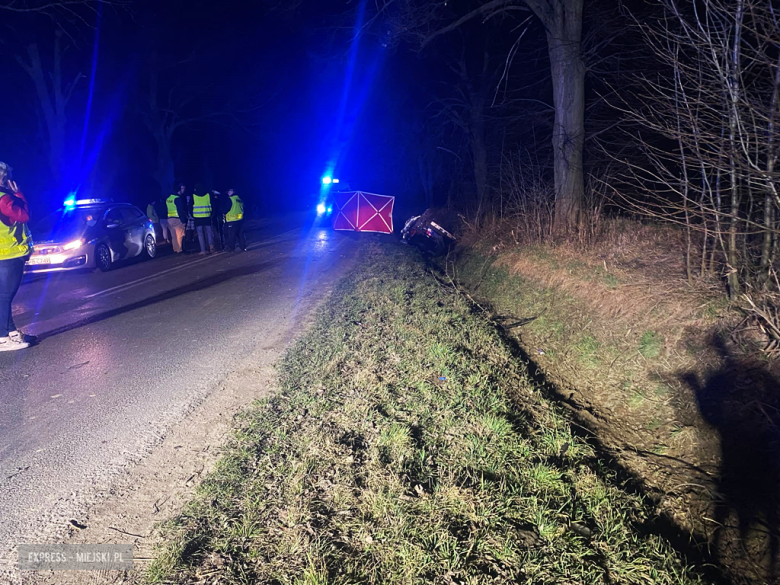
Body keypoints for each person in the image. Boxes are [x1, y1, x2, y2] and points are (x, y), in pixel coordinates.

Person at [0, 162, 33, 351]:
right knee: (4, 296)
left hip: (5, 254)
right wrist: (19, 194)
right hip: (9, 254)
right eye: (6, 177)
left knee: (4, 296)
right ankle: (2, 338)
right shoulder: (4, 199)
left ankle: (11, 332)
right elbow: (24, 216)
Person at [192, 185, 216, 255]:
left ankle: (203, 250)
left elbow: (190, 207)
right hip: (207, 217)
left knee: (200, 234)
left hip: (197, 218)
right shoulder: (208, 195)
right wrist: (212, 214)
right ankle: (211, 245)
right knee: (209, 232)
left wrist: (193, 215)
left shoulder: (193, 196)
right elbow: (213, 205)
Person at [165, 184, 188, 253]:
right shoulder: (177, 198)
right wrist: (183, 220)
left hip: (169, 218)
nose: (184, 190)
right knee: (180, 235)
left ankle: (175, 249)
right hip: (177, 218)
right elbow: (180, 210)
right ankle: (180, 249)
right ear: (179, 189)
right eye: (183, 188)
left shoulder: (168, 198)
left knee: (173, 235)